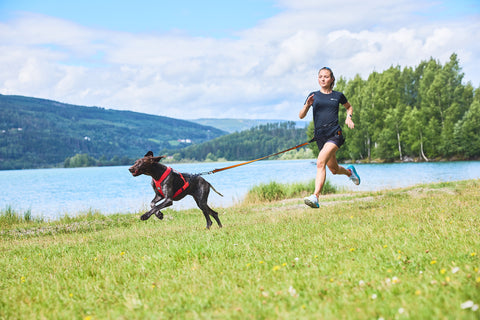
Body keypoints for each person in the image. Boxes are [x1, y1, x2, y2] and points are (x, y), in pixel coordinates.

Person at [299, 67, 360, 208]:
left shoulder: (338, 95)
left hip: (334, 135)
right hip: (320, 137)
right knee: (333, 169)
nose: (323, 79)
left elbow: (349, 107)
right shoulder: (313, 96)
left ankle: (315, 196)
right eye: (320, 76)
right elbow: (301, 115)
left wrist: (349, 118)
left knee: (320, 162)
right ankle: (350, 172)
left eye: (326, 76)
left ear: (332, 79)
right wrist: (307, 105)